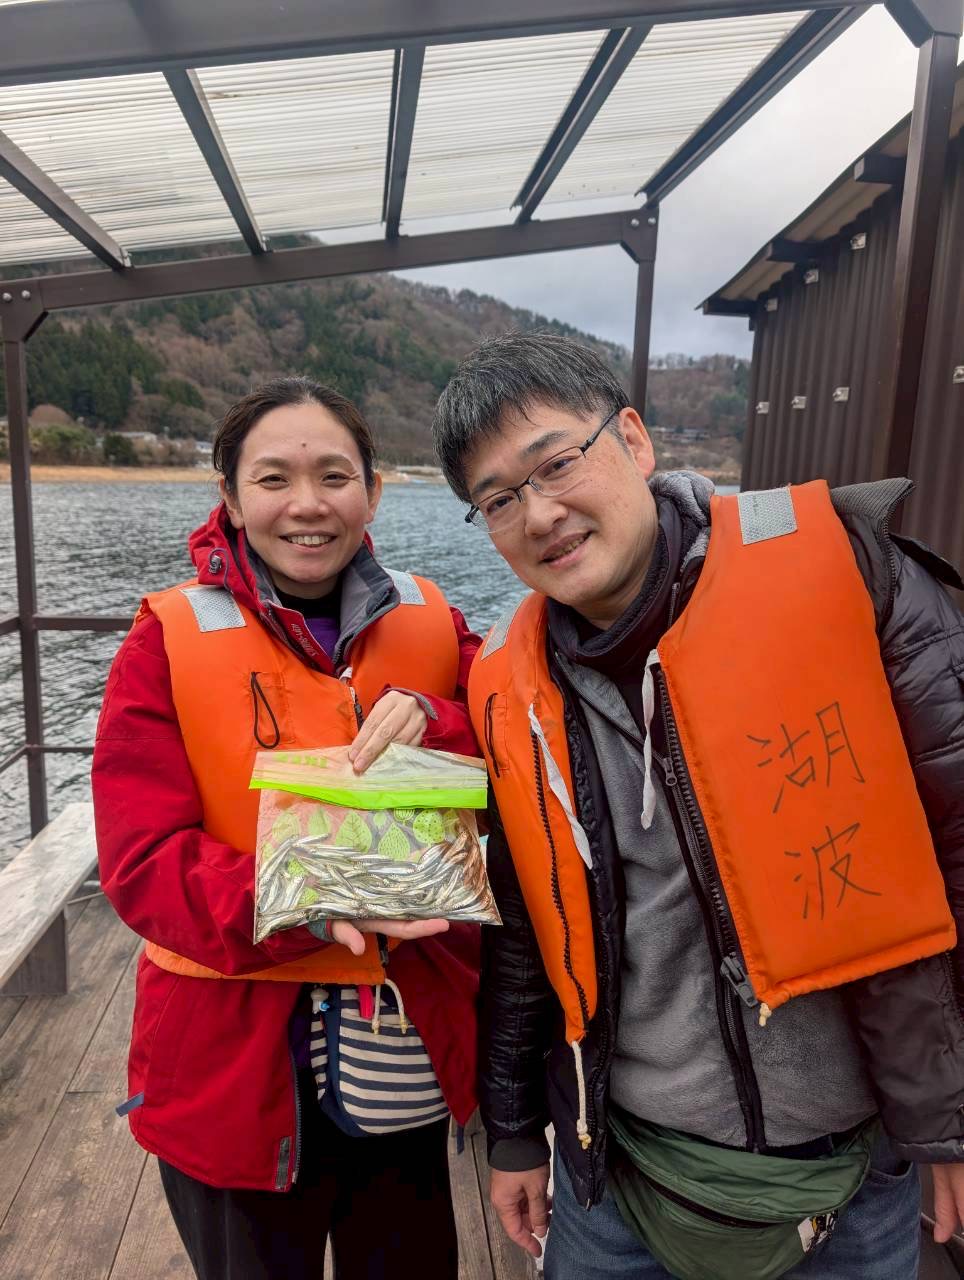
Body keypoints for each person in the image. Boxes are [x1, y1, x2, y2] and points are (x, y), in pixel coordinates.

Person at [431, 332, 964, 1280]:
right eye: (499, 499)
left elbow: (958, 840)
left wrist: (948, 1117)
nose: (540, 513)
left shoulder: (843, 573)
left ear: (633, 440)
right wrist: (512, 1131)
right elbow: (523, 929)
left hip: (852, 1169)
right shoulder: (510, 686)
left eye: (557, 463)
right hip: (621, 1174)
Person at [93, 377, 482, 1280]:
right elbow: (141, 862)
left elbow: (513, 742)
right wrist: (311, 895)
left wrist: (438, 719)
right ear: (230, 498)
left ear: (372, 492)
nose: (307, 504)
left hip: (402, 1060)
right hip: (229, 1072)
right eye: (273, 479)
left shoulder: (435, 622)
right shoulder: (164, 639)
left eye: (334, 476)